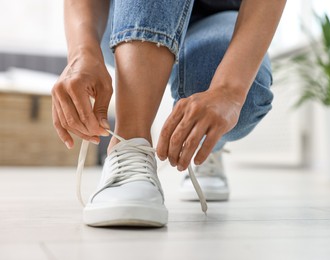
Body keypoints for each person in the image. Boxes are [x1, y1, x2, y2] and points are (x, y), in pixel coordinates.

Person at [51, 0, 286, 227]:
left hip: (216, 17)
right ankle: (130, 146)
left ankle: (204, 148)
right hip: (129, 14)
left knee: (248, 93)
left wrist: (229, 91)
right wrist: (82, 52)